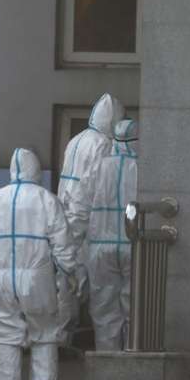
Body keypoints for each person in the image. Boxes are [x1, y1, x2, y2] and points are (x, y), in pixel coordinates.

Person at [0, 148, 78, 380]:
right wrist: (69, 272)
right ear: (36, 171)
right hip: (37, 278)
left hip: (2, 278)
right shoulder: (46, 200)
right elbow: (62, 244)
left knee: (5, 336)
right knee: (44, 332)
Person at [56, 93, 125, 346]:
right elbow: (93, 188)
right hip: (90, 224)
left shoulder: (76, 140)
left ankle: (62, 338)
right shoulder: (104, 145)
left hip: (67, 219)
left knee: (66, 281)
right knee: (97, 291)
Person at [69, 119, 138, 350]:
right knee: (136, 312)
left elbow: (79, 210)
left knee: (104, 314)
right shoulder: (146, 168)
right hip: (135, 247)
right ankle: (133, 364)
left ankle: (108, 370)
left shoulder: (97, 168)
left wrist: (69, 253)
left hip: (100, 250)